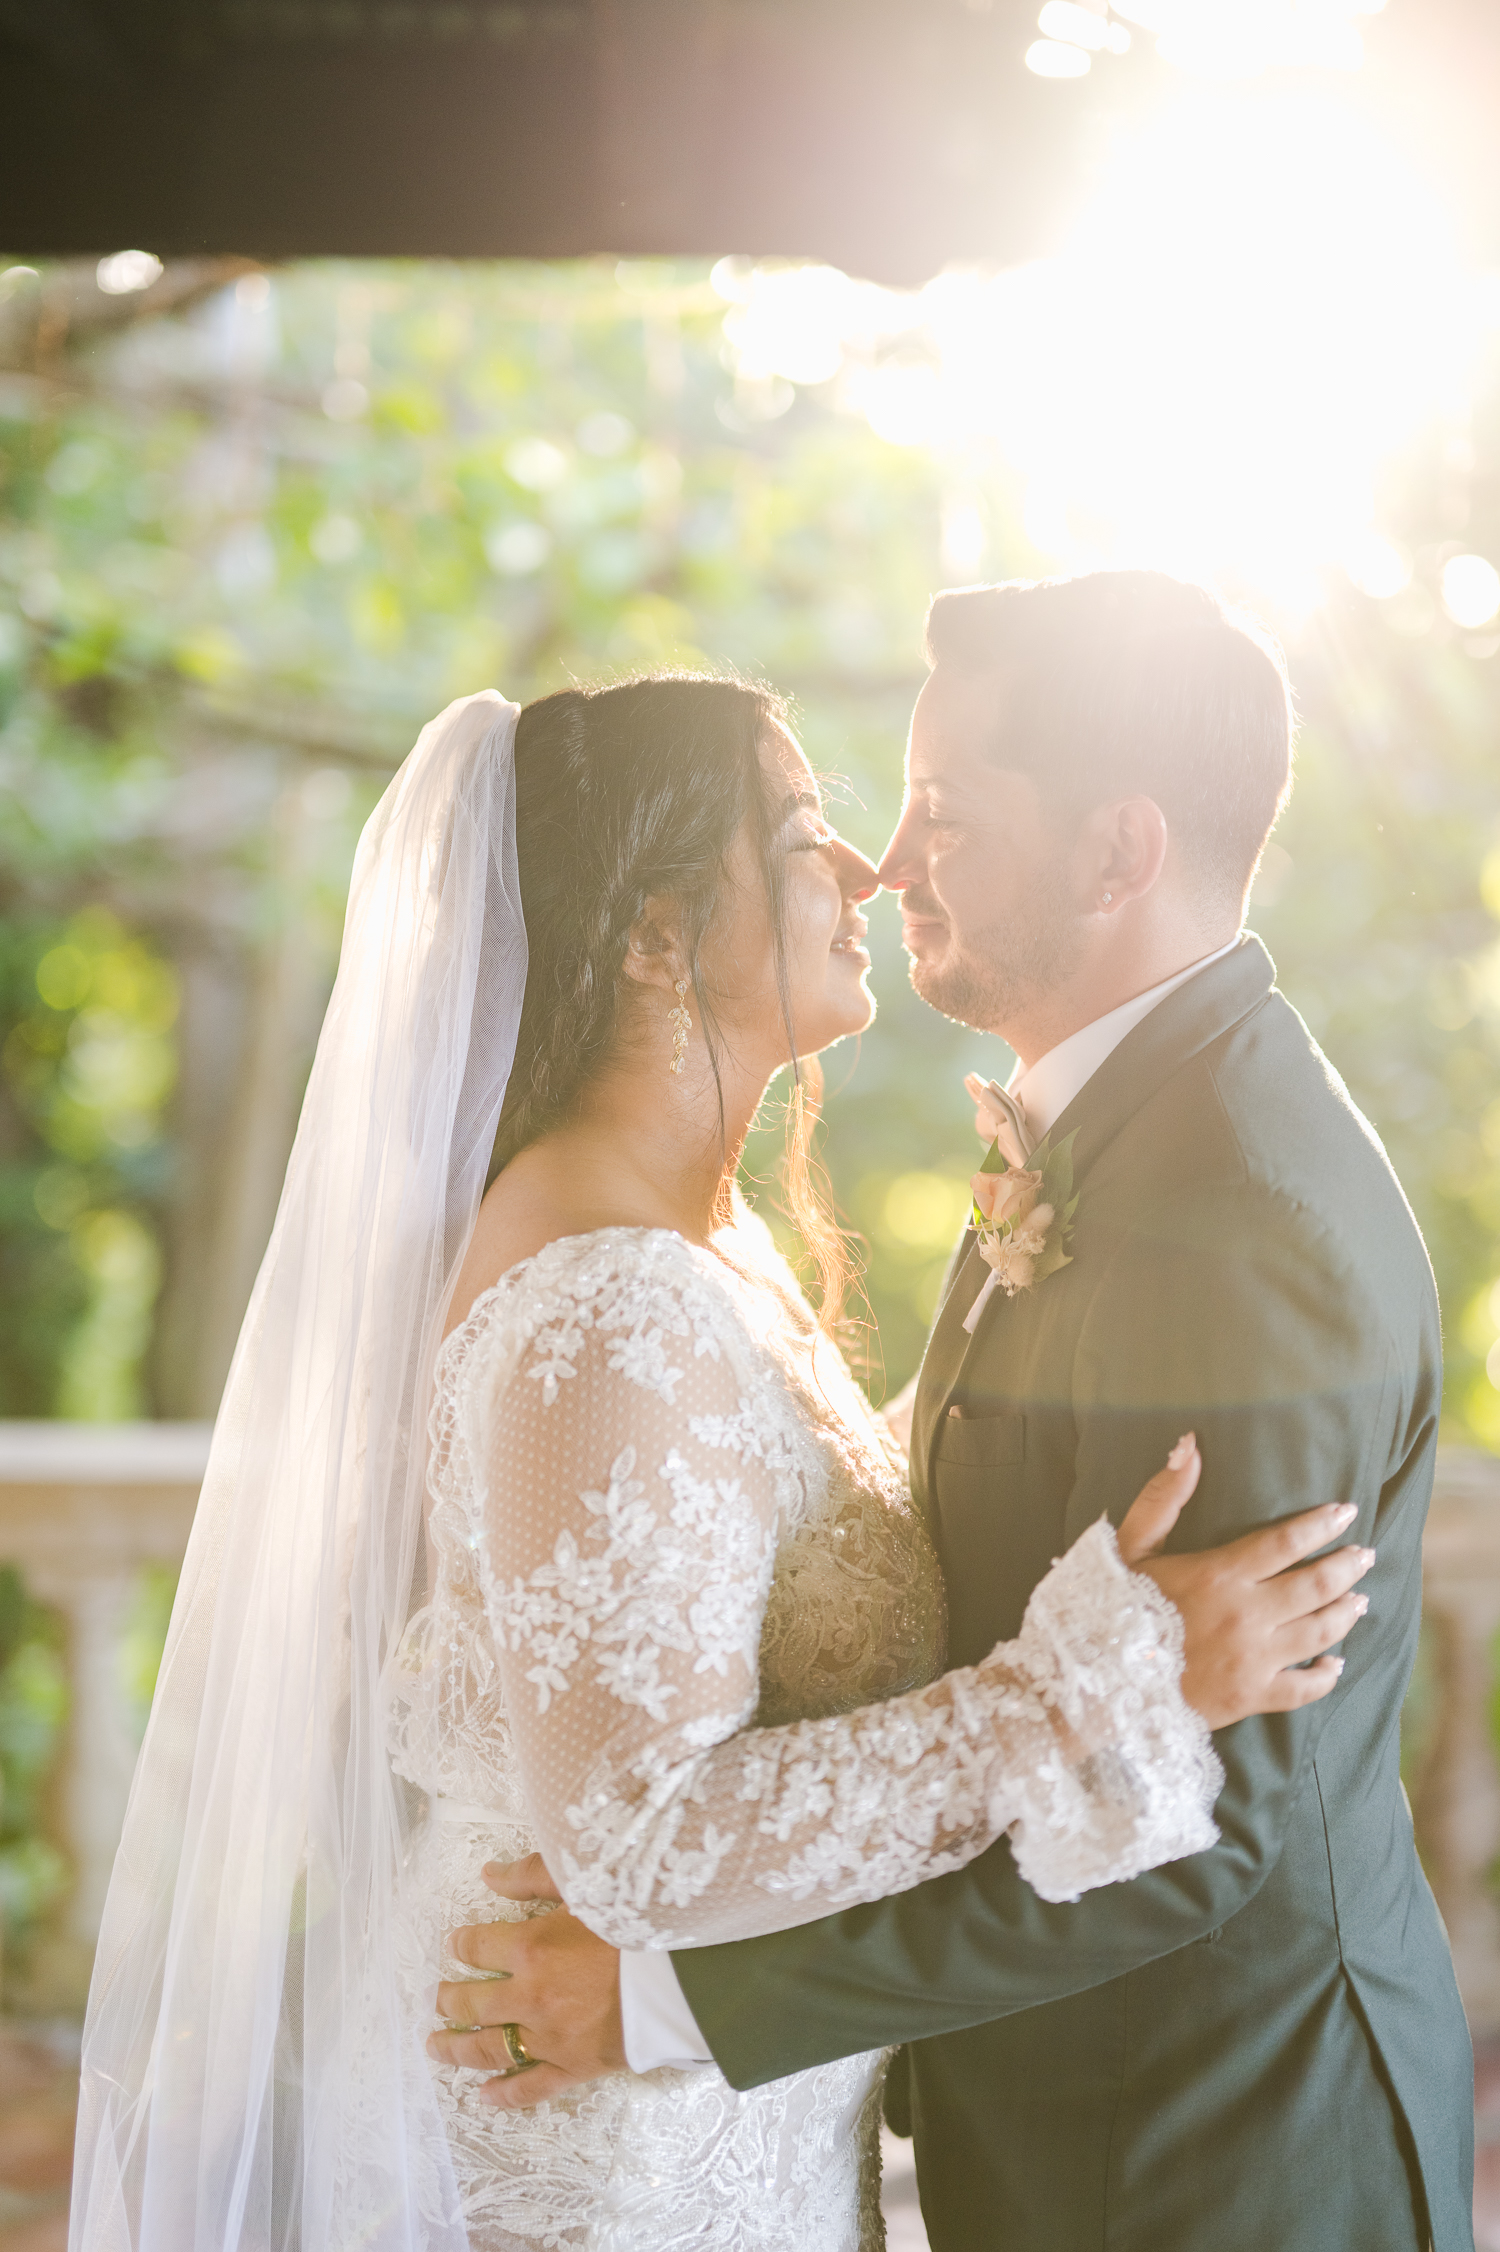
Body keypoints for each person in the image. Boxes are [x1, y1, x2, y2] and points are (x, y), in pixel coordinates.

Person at [73, 663, 1370, 2252]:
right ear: (650, 935)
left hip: (702, 2121)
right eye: (805, 827)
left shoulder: (697, 1249)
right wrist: (1111, 1683)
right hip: (589, 2151)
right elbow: (640, 1839)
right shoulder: (608, 1306)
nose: (866, 870)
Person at [440, 580, 1474, 2252]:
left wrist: (660, 2007)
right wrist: (1093, 1679)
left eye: (940, 816)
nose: (884, 863)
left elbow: (1198, 1832)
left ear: (1115, 856)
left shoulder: (1241, 1219)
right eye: (850, 824)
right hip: (1029, 2137)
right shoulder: (1078, 1152)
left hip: (1215, 2160)